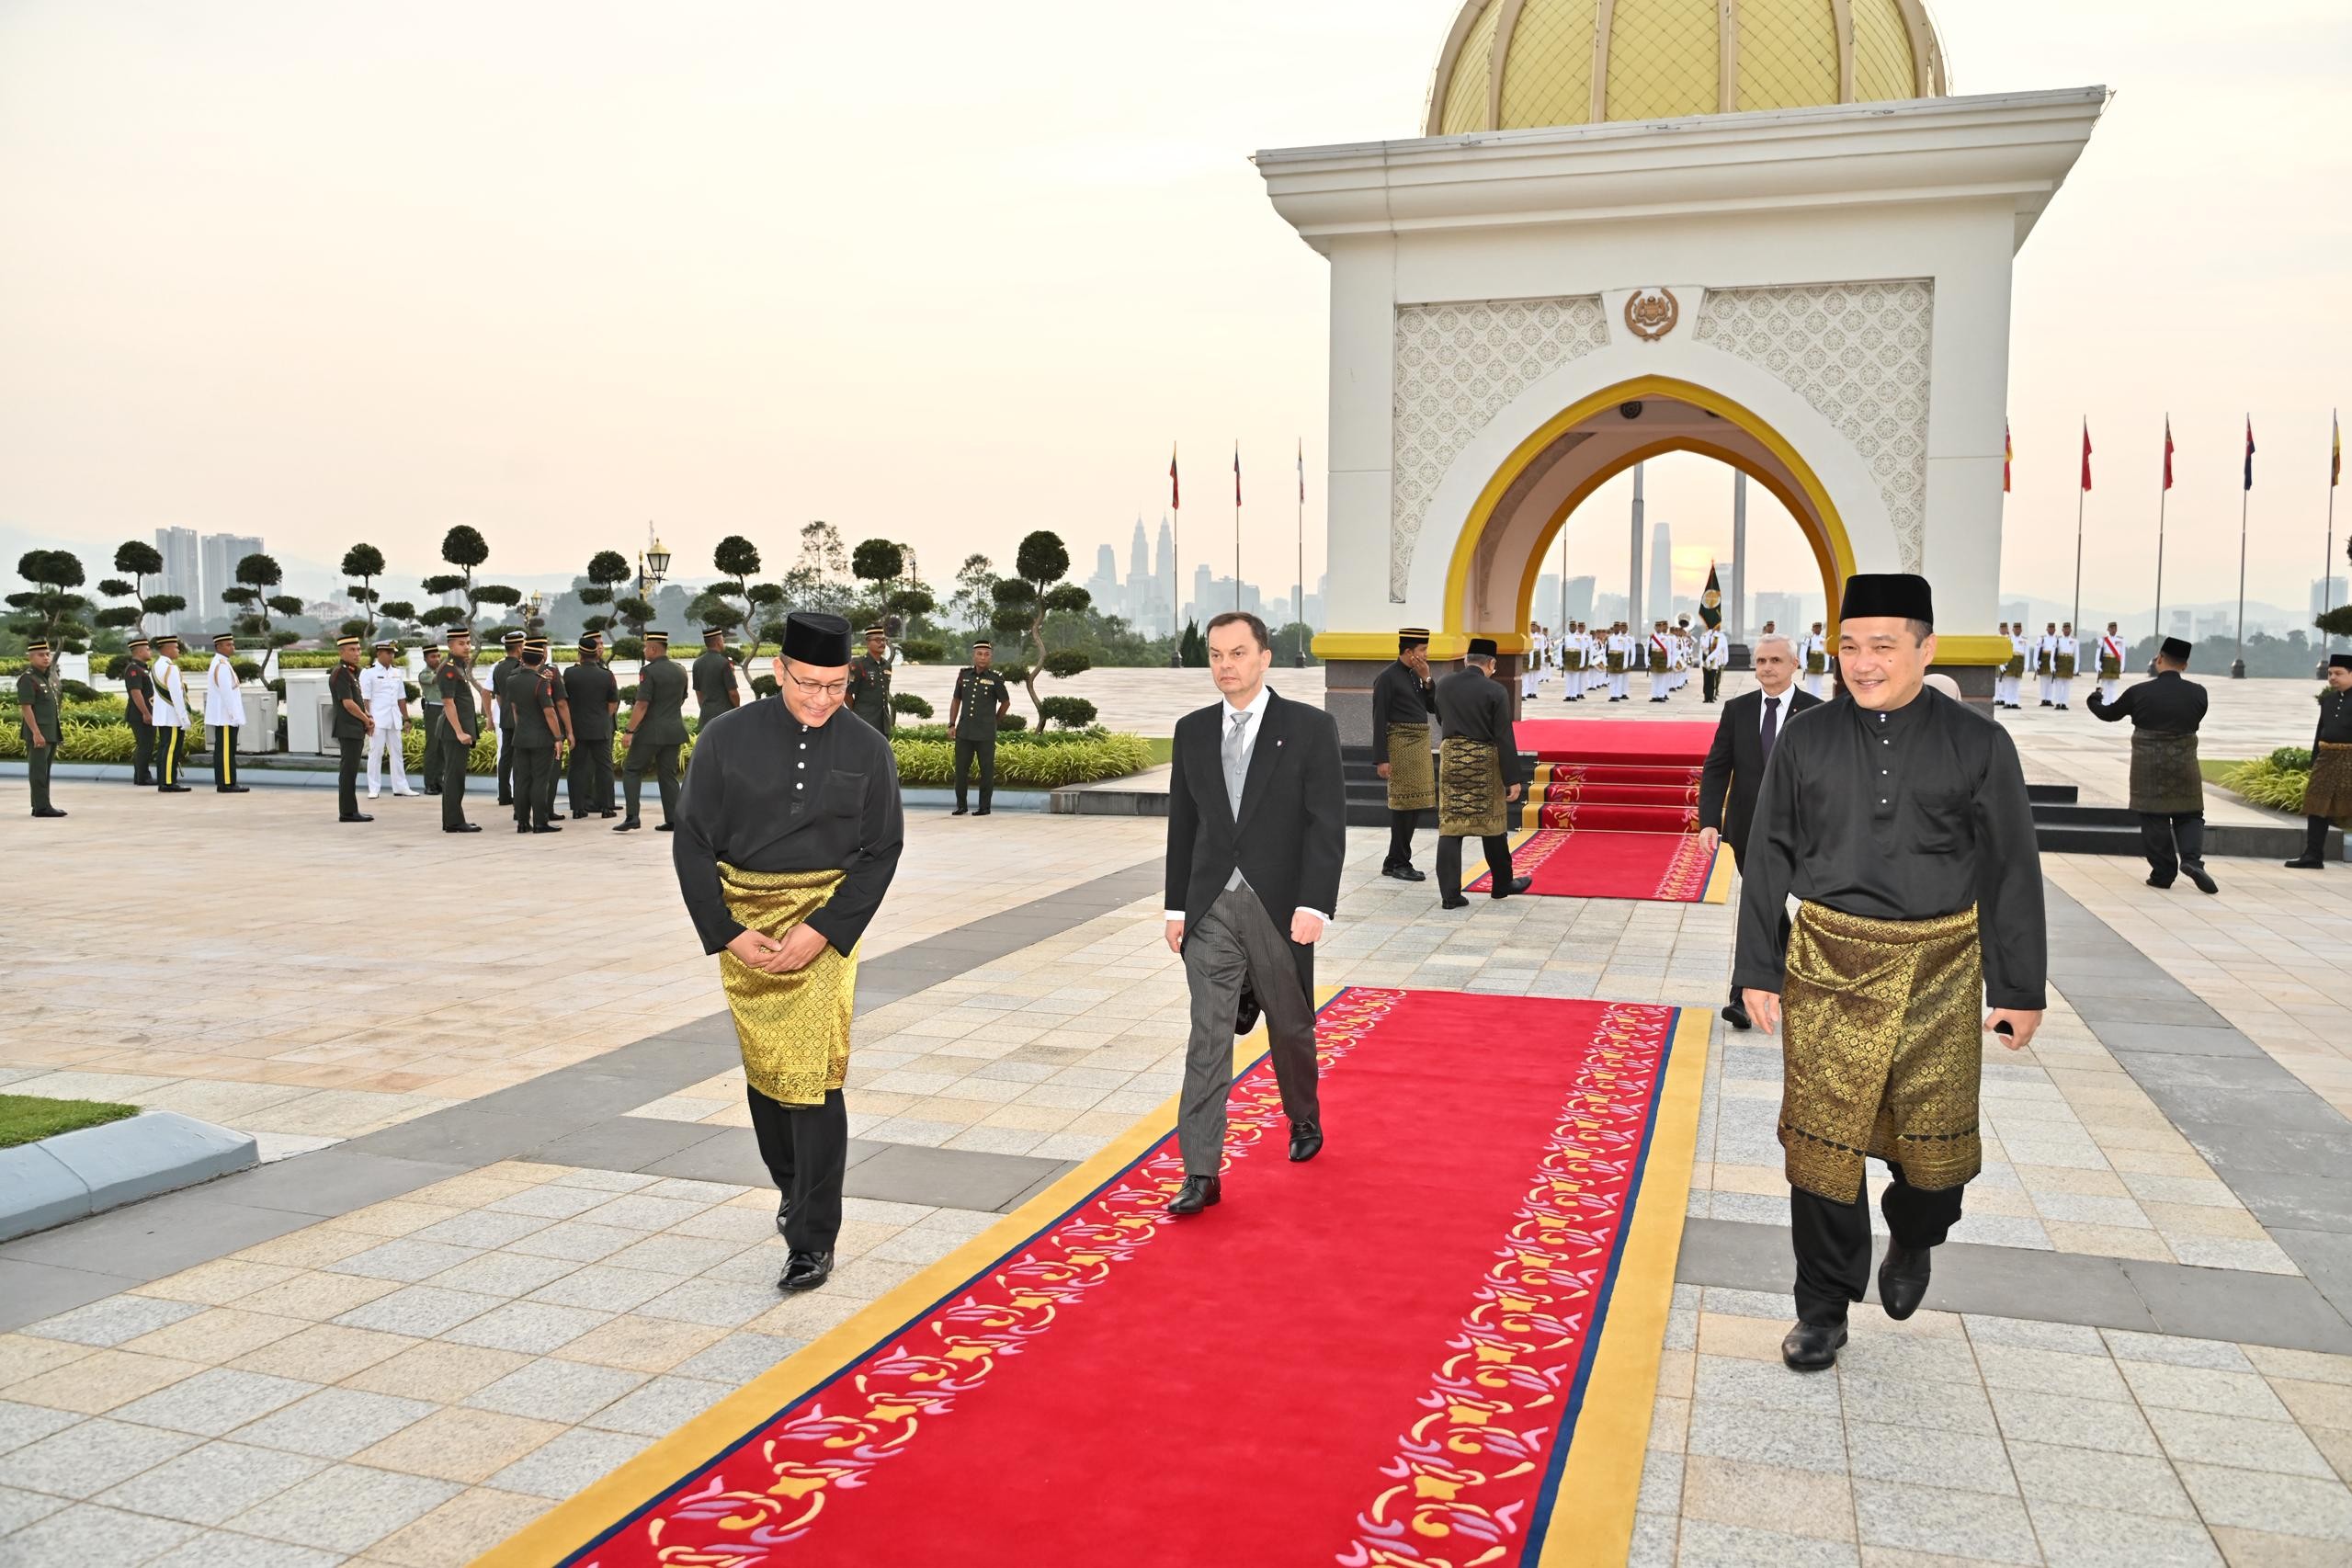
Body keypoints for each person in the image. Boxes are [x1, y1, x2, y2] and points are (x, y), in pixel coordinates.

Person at [1735, 574, 2045, 1372]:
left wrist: (2018, 988)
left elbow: (2010, 867)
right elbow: (1767, 852)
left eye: (1882, 646)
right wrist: (1756, 967)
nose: (1862, 662)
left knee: (1934, 1165)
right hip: (1828, 963)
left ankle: (1913, 1233)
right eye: (1848, 646)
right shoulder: (1804, 738)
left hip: (1940, 968)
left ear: (1925, 649)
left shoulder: (1978, 743)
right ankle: (1821, 1307)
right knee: (1821, 1147)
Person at [675, 611, 904, 1292]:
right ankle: (790, 1185)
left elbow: (881, 850)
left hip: (822, 926)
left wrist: (824, 929)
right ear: (778, 671)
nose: (821, 699)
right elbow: (692, 839)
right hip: (745, 924)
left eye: (836, 686)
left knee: (813, 1077)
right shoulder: (725, 738)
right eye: (807, 684)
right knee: (766, 1067)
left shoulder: (867, 748)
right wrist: (726, 930)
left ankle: (812, 1237)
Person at [1161, 610, 1344, 1217]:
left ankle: (1302, 1115)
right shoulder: (1191, 731)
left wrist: (1314, 904)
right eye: (1215, 655)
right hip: (1210, 907)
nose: (1225, 666)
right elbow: (1184, 825)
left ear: (1264, 658)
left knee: (1290, 1026)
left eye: (1237, 653)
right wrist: (1176, 907)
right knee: (1207, 1037)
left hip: (1278, 905)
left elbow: (1326, 825)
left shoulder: (1309, 728)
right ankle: (1201, 1171)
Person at [1697, 633, 1823, 1028]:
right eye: (1761, 661)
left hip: (1801, 832)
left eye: (1776, 660)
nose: (1767, 667)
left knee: (1763, 906)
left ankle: (1744, 992)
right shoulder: (1738, 710)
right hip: (1749, 829)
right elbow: (1717, 767)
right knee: (1764, 905)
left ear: (1794, 665)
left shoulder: (1817, 712)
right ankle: (1779, 979)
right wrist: (1709, 821)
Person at [2087, 636, 2215, 893]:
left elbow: (2110, 715)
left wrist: (2094, 700)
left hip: (2149, 765)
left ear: (2159, 659)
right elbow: (2196, 719)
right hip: (2185, 762)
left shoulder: (2139, 692)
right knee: (2190, 813)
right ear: (2185, 665)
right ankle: (2191, 861)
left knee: (2153, 816)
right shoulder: (2199, 693)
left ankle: (2163, 874)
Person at [1435, 638, 1532, 909]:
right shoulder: (1495, 690)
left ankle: (1450, 895)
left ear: (1466, 660)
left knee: (1451, 825)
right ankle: (1502, 884)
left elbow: (1441, 718)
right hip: (1483, 760)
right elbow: (1503, 735)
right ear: (1491, 663)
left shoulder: (1444, 684)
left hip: (1452, 758)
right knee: (1493, 824)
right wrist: (1512, 778)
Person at [1371, 628, 1437, 881]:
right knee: (1403, 806)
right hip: (1400, 747)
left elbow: (1432, 707)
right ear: (1409, 652)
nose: (1426, 654)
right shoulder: (1387, 678)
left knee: (1415, 805)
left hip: (1419, 746)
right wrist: (1382, 758)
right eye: (1422, 650)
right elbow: (1379, 719)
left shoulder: (1416, 675)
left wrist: (1427, 679)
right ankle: (1399, 862)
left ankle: (1394, 860)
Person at [617, 630, 687, 832]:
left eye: (646, 647)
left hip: (651, 732)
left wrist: (629, 731)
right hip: (674, 730)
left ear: (654, 649)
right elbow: (682, 698)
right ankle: (674, 820)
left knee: (632, 770)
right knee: (668, 774)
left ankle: (632, 817)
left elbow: (641, 704)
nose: (644, 650)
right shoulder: (680, 670)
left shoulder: (648, 672)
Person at [2287, 653, 2352, 869]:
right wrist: (2315, 761)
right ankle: (2313, 855)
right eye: (2330, 673)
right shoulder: (2328, 700)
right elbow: (2319, 733)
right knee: (2317, 805)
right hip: (2326, 759)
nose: (2332, 677)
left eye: (2338, 673)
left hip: (2350, 759)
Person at [505, 638, 563, 833]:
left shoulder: (512, 680)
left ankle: (522, 822)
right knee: (540, 780)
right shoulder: (541, 682)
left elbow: (515, 709)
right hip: (541, 738)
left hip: (521, 736)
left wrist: (521, 728)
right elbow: (550, 713)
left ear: (522, 658)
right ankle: (540, 822)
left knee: (522, 780)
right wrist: (557, 738)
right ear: (540, 660)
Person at [948, 642, 1012, 816]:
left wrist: (995, 721)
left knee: (986, 771)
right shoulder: (964, 675)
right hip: (965, 731)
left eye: (986, 654)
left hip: (985, 734)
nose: (983, 657)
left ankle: (985, 807)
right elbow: (956, 700)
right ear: (973, 655)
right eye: (979, 653)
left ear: (991, 657)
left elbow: (1005, 702)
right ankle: (961, 805)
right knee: (961, 770)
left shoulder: (995, 678)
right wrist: (952, 724)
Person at [564, 633, 619, 819]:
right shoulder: (606, 675)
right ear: (596, 654)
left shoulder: (570, 674)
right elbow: (613, 703)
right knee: (604, 767)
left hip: (577, 728)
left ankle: (577, 808)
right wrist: (601, 717)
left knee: (577, 767)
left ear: (580, 654)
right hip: (600, 728)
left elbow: (565, 701)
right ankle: (607, 807)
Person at [435, 628, 483, 833]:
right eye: (461, 643)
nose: (467, 647)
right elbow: (448, 703)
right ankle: (454, 822)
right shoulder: (449, 669)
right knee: (454, 777)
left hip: (459, 730)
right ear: (450, 646)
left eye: (468, 643)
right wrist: (459, 732)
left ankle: (452, 820)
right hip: (454, 732)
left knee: (456, 776)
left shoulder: (459, 667)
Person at [359, 641, 415, 800]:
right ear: (379, 653)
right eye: (388, 653)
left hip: (393, 718)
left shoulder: (396, 672)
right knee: (376, 753)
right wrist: (367, 719)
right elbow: (365, 698)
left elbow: (401, 697)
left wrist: (406, 718)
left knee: (397, 753)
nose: (392, 656)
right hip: (377, 719)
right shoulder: (368, 672)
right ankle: (374, 788)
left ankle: (401, 787)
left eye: (393, 653)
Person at [327, 636, 373, 824]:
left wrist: (367, 716)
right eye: (352, 650)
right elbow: (348, 704)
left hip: (355, 727)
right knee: (348, 771)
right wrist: (366, 720)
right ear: (341, 652)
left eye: (358, 649)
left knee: (351, 771)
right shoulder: (341, 673)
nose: (357, 653)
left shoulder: (351, 672)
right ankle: (347, 812)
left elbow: (357, 701)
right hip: (348, 728)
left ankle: (350, 810)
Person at [16, 639, 63, 818]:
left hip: (49, 732)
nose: (46, 658)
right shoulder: (28, 679)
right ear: (31, 657)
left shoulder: (45, 677)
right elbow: (26, 707)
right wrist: (36, 733)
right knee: (38, 771)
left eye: (47, 654)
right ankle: (42, 807)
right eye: (40, 655)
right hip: (38, 733)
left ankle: (40, 805)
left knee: (44, 771)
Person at [204, 632, 249, 793]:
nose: (232, 647)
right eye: (228, 645)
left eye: (232, 644)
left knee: (225, 750)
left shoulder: (222, 662)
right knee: (225, 752)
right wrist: (234, 715)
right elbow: (226, 693)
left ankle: (225, 782)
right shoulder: (221, 665)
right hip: (225, 717)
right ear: (219, 647)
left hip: (226, 716)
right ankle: (227, 783)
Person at [152, 633, 191, 792]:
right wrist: (184, 718)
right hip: (172, 717)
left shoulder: (156, 665)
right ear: (167, 649)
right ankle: (168, 782)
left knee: (164, 749)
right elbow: (176, 696)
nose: (178, 650)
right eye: (175, 647)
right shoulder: (171, 668)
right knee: (171, 751)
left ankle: (164, 781)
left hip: (162, 716)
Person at [491, 629, 525, 806]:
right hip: (520, 716)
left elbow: (498, 696)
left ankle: (504, 795)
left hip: (505, 714)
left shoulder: (498, 668)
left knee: (505, 756)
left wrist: (505, 709)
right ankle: (519, 794)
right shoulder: (520, 668)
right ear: (519, 648)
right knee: (520, 757)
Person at [121, 638, 156, 787]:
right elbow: (136, 693)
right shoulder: (134, 669)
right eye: (147, 649)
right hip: (139, 714)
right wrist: (146, 713)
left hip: (144, 713)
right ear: (140, 652)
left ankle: (140, 776)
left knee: (146, 745)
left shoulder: (143, 668)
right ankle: (143, 777)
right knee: (145, 746)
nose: (150, 652)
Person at [846, 625, 894, 731]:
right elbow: (847, 694)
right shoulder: (858, 664)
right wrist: (858, 712)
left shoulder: (887, 665)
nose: (882, 643)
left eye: (884, 640)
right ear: (868, 643)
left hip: (883, 723)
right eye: (877, 640)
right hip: (865, 722)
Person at [693, 628, 742, 727]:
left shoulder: (697, 663)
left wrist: (705, 709)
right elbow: (733, 693)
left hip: (706, 716)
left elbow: (699, 693)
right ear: (718, 642)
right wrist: (738, 709)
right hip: (724, 716)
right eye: (722, 640)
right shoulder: (724, 663)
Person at [416, 644, 446, 795]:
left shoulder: (442, 670)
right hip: (433, 710)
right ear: (425, 659)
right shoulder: (424, 674)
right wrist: (448, 662)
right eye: (433, 657)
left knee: (442, 748)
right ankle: (429, 783)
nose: (437, 659)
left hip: (445, 709)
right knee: (432, 747)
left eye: (438, 656)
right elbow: (435, 679)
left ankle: (439, 781)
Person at [1699, 619, 1729, 704]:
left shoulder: (1718, 637)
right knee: (1706, 680)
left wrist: (1710, 658)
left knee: (1712, 679)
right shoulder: (1704, 636)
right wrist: (1708, 635)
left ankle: (1711, 697)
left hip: (1714, 661)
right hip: (1705, 661)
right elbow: (1703, 647)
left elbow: (1718, 649)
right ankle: (1706, 697)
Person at [1801, 621, 1831, 700]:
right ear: (1812, 629)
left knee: (1818, 684)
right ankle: (1810, 701)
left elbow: (1826, 653)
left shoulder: (1824, 640)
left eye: (1819, 628)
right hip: (1811, 664)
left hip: (1820, 665)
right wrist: (1804, 665)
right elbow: (1803, 653)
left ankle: (1817, 700)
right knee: (1810, 685)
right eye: (1816, 628)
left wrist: (1826, 666)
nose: (1818, 629)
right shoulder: (1808, 639)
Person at [2052, 621, 2079, 710]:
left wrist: (2076, 667)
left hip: (2069, 663)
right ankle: (2057, 702)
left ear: (2070, 630)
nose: (2067, 630)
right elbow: (2053, 654)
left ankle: (2064, 703)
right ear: (2062, 630)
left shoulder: (2074, 640)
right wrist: (2052, 665)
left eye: (2068, 629)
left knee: (2067, 685)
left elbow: (2077, 655)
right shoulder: (2058, 639)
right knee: (2058, 684)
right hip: (2060, 662)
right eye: (2065, 629)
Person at [2096, 622, 2125, 703]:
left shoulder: (2121, 640)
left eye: (2115, 628)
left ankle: (2112, 703)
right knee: (2104, 685)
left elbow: (2123, 654)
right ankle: (2104, 703)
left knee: (2113, 685)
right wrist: (2097, 665)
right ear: (2108, 629)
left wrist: (2122, 665)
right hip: (2106, 663)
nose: (2113, 630)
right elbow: (2098, 653)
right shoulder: (2103, 640)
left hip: (2115, 663)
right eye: (2111, 628)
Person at [1647, 619, 1674, 702]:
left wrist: (1669, 661)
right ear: (1655, 628)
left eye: (1660, 627)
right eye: (1657, 627)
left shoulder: (1666, 638)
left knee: (1662, 679)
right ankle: (1654, 696)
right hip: (1654, 658)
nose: (1658, 628)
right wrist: (1646, 660)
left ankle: (1661, 695)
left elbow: (1669, 651)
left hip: (1662, 659)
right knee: (1654, 679)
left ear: (1662, 628)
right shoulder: (1651, 637)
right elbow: (1647, 650)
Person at [2037, 621, 2059, 706]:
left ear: (2055, 630)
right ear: (2047, 629)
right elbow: (2037, 650)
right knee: (2043, 681)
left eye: (2053, 629)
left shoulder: (2057, 639)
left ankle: (2049, 699)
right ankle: (2043, 699)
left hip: (2053, 659)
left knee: (2051, 681)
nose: (2051, 630)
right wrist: (2036, 662)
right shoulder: (2042, 638)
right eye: (2050, 628)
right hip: (2044, 659)